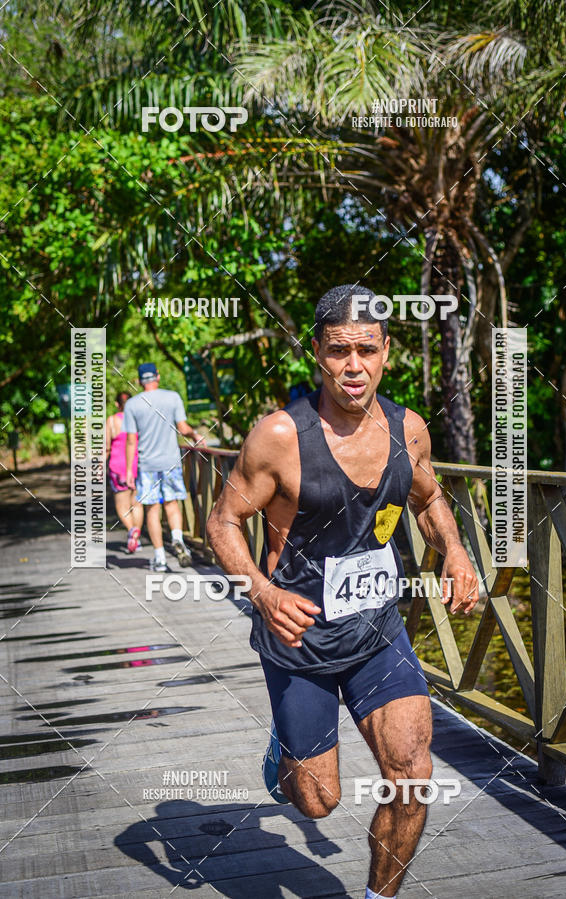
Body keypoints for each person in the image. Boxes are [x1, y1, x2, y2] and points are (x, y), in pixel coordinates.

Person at [206, 285, 479, 898]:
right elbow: (222, 520)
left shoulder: (409, 429)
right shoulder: (279, 435)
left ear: (387, 350)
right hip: (298, 636)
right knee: (318, 801)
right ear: (317, 353)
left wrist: (455, 551)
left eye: (365, 350)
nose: (353, 367)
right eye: (337, 351)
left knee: (412, 775)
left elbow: (429, 497)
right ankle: (288, 744)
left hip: (377, 631)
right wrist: (261, 592)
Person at [123, 363, 205, 572]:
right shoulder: (172, 397)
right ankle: (178, 538)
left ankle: (159, 557)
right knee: (172, 504)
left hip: (147, 465)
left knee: (152, 510)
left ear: (140, 381)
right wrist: (195, 435)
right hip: (170, 462)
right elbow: (183, 428)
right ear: (157, 376)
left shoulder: (132, 404)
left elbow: (131, 441)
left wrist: (129, 470)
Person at [106, 391, 144, 552]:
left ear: (117, 404)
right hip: (137, 465)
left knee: (122, 505)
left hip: (117, 467)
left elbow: (106, 447)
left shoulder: (112, 421)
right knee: (136, 503)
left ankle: (131, 530)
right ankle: (137, 537)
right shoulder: (138, 420)